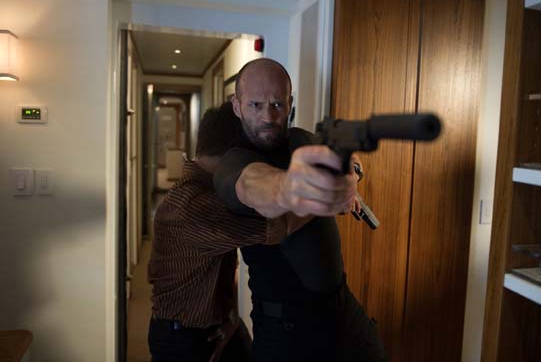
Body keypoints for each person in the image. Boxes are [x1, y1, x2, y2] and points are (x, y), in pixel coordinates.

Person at [213, 58, 388, 362]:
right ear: (237, 106)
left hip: (342, 311)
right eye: (256, 105)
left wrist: (352, 174)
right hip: (285, 331)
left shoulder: (301, 139)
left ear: (290, 104)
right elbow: (256, 186)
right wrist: (302, 189)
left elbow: (347, 156)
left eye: (277, 104)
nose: (268, 116)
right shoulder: (234, 163)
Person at [147, 102, 308, 362]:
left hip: (217, 324)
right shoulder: (195, 205)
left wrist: (231, 313)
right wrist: (330, 194)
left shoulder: (207, 190)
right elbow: (279, 226)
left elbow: (220, 263)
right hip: (183, 338)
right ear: (235, 156)